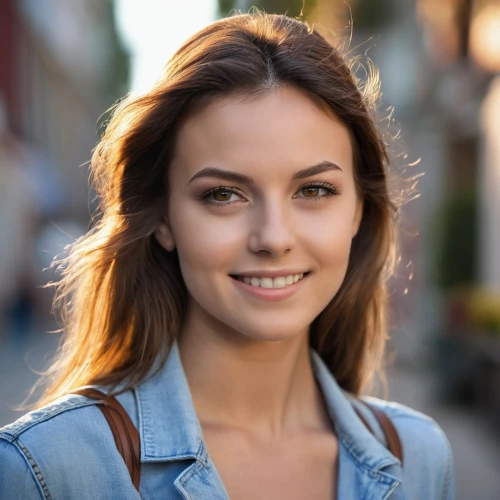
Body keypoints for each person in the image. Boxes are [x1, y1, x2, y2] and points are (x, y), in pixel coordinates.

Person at [0, 12, 455, 499]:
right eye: (223, 195)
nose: (274, 237)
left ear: (359, 212)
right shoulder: (47, 468)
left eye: (315, 189)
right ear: (162, 219)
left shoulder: (420, 459)